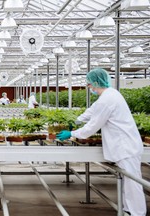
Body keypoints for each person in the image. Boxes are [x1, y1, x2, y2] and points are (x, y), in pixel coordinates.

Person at [57, 68, 146, 216]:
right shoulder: (110, 95)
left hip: (126, 147)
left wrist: (72, 133)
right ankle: (129, 211)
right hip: (124, 145)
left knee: (132, 183)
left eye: (89, 84)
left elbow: (93, 126)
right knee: (128, 182)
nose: (89, 87)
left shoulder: (107, 99)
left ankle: (137, 213)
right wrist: (77, 120)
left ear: (96, 82)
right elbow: (93, 110)